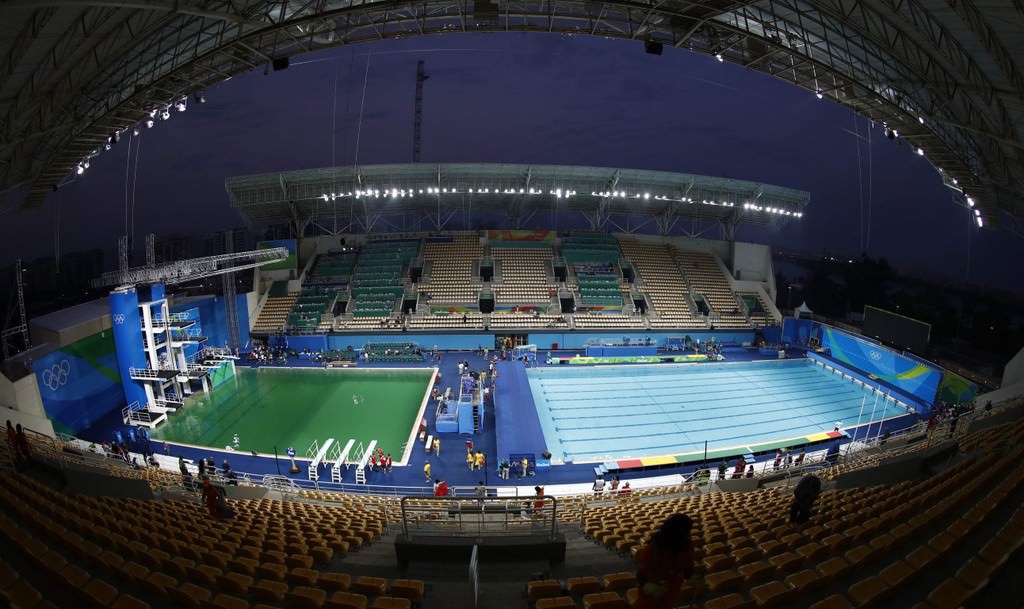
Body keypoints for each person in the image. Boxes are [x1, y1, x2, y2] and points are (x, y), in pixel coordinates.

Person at [634, 514, 700, 609]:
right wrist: (649, 586)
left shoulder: (686, 546)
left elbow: (688, 568)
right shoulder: (653, 549)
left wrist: (691, 577)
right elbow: (640, 575)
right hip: (651, 593)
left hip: (672, 591)